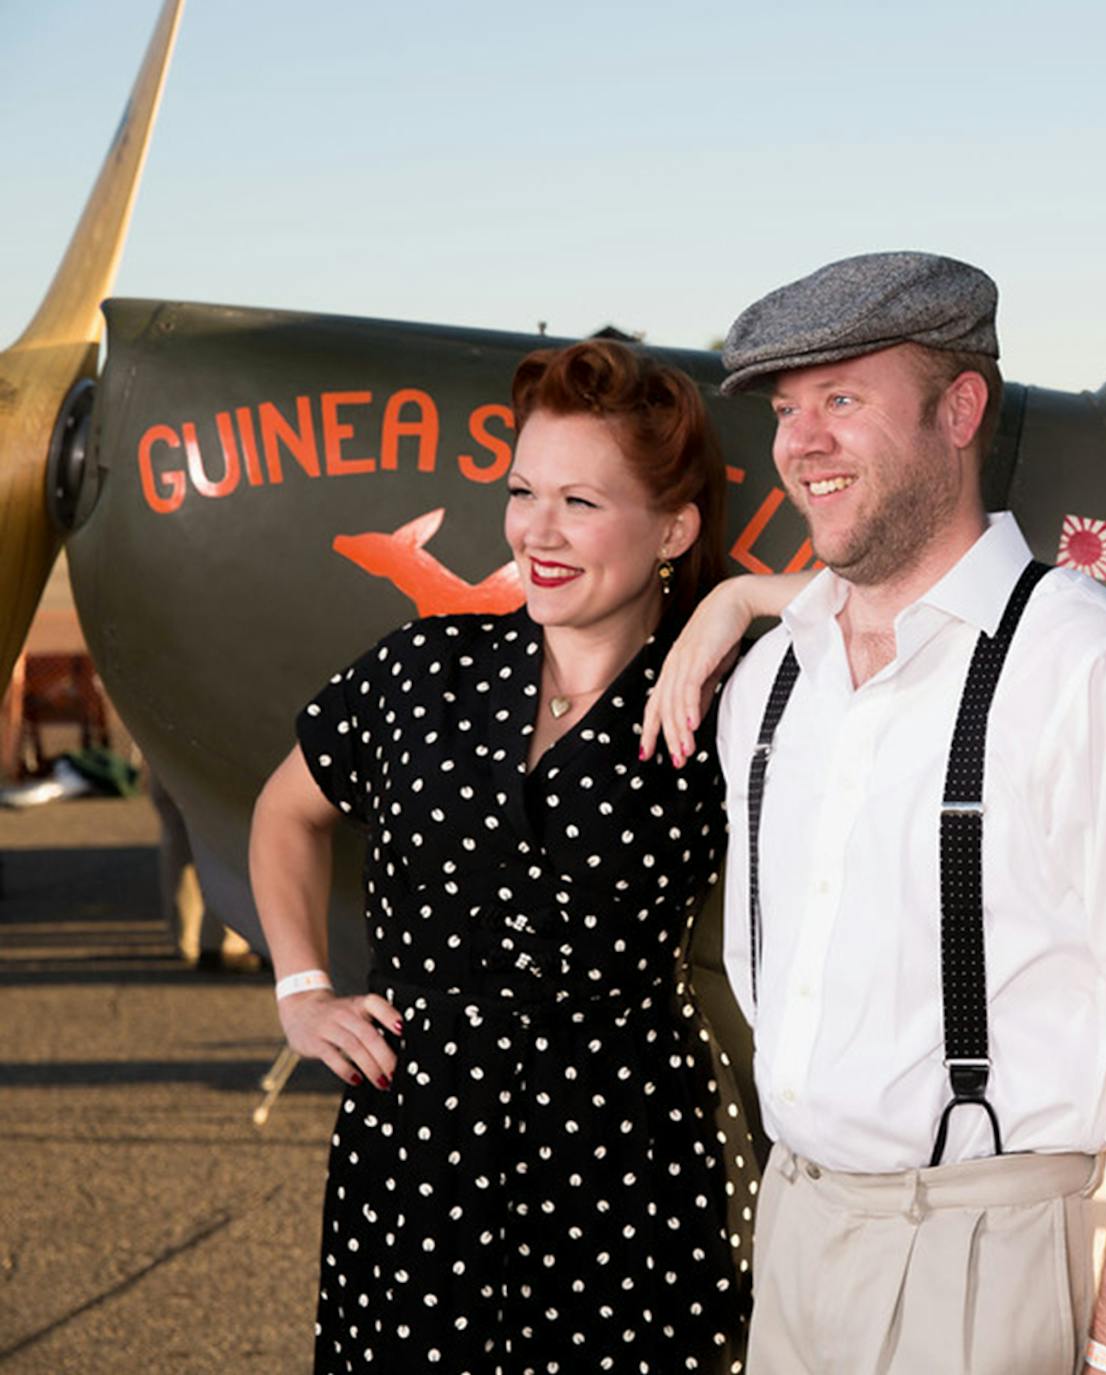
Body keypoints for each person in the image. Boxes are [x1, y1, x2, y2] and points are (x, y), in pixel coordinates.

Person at [657, 250, 1106, 1375]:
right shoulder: (767, 682)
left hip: (987, 1254)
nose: (802, 442)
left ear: (962, 408)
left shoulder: (1100, 668)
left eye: (843, 398)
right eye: (790, 410)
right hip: (792, 1231)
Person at [250, 339, 755, 1374]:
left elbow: (894, 604)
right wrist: (303, 988)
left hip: (628, 1163)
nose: (537, 530)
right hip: (417, 1154)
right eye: (525, 491)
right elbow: (284, 811)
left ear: (674, 526)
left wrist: (742, 603)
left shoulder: (734, 695)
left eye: (581, 500)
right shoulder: (425, 666)